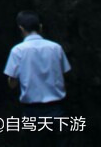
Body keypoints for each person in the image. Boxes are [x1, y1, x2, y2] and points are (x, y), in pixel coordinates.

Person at [4, 11, 71, 145]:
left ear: (21, 29)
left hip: (32, 111)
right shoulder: (56, 48)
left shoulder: (18, 51)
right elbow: (65, 73)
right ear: (40, 27)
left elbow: (12, 83)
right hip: (56, 109)